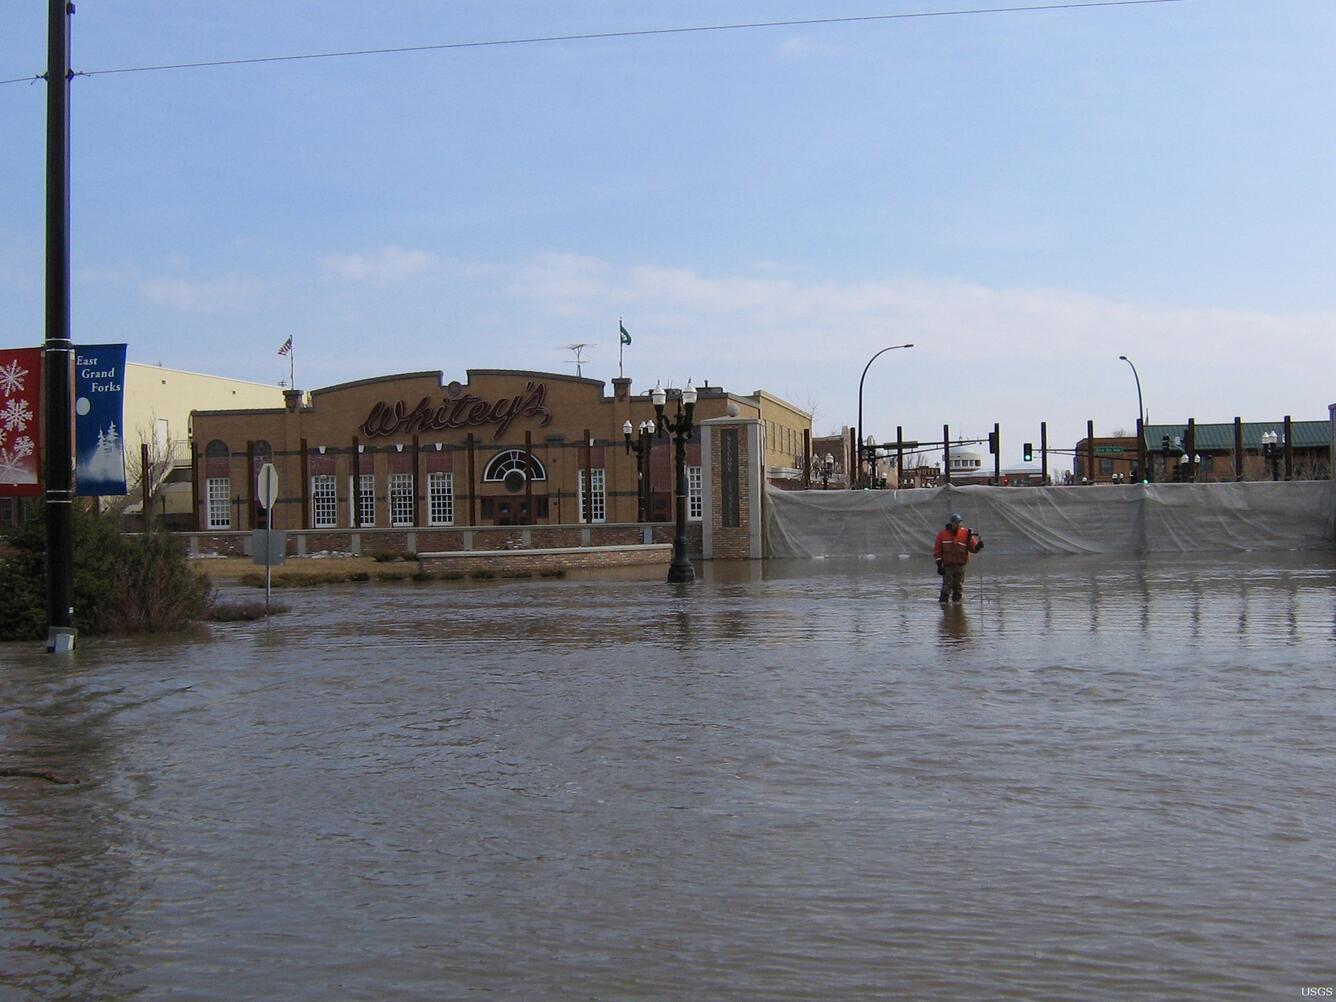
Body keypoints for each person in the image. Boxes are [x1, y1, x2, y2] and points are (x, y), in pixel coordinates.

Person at [933, 512, 983, 603]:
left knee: (958, 588)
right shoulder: (942, 534)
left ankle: (957, 608)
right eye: (956, 522)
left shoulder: (966, 534)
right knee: (946, 587)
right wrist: (939, 565)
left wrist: (978, 546)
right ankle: (944, 606)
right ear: (952, 523)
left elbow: (972, 548)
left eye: (960, 522)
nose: (958, 525)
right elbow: (937, 550)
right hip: (948, 567)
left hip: (961, 566)